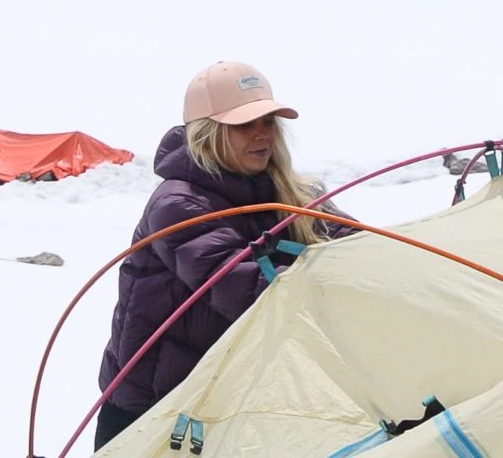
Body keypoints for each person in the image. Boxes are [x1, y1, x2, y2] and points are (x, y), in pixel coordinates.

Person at [94, 61, 357, 450]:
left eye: (268, 122)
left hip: (226, 402)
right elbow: (244, 289)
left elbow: (355, 245)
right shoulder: (178, 203)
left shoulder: (290, 192)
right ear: (208, 133)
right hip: (151, 414)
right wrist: (328, 279)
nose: (262, 134)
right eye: (244, 125)